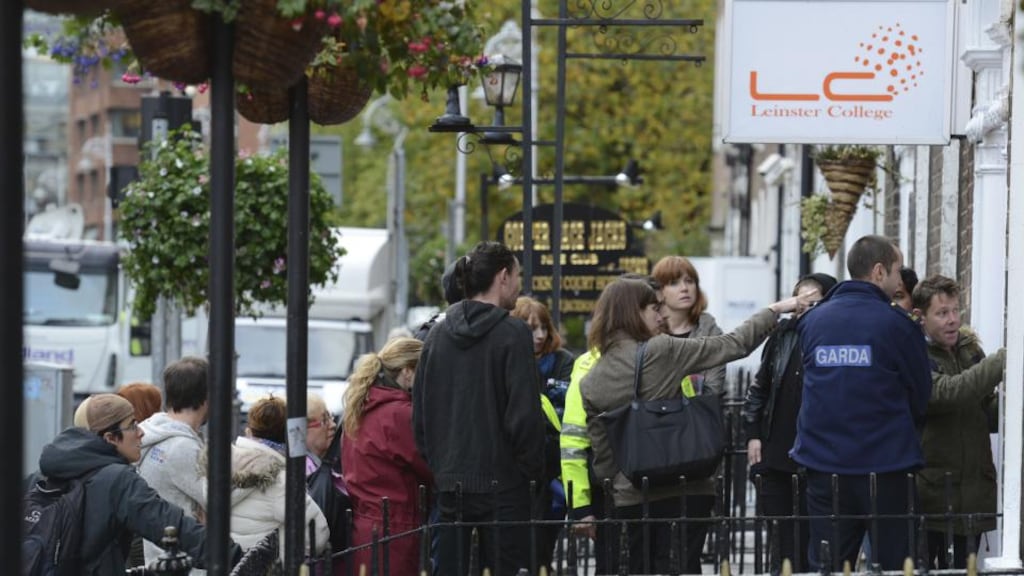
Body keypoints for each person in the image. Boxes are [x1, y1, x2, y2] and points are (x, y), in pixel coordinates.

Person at [580, 277, 805, 574]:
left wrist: (621, 487)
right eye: (654, 308)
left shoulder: (591, 381)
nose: (661, 316)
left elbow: (604, 458)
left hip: (632, 497)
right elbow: (733, 344)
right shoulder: (660, 350)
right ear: (633, 312)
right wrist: (774, 309)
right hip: (685, 487)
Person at [791, 235, 932, 571]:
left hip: (824, 465)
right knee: (896, 565)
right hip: (885, 466)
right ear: (879, 271)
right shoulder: (897, 325)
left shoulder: (813, 321)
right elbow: (920, 393)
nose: (901, 281)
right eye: (898, 272)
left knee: (827, 565)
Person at [413, 241, 546, 576]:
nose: (519, 284)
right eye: (517, 276)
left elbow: (421, 417)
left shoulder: (436, 335)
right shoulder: (512, 333)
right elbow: (524, 416)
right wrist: (528, 471)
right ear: (502, 277)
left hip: (450, 482)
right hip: (504, 484)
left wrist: (441, 467)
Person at [34, 393, 236, 574]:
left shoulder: (38, 478)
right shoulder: (117, 480)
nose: (141, 432)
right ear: (110, 438)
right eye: (132, 425)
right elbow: (170, 524)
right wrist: (233, 556)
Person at [561, 274, 665, 574]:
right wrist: (580, 506)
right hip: (611, 492)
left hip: (664, 486)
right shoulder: (590, 365)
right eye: (653, 308)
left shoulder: (664, 354)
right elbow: (573, 442)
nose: (661, 315)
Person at [743, 273, 837, 574]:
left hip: (819, 457)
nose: (803, 307)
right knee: (782, 544)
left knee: (817, 543)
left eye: (812, 300)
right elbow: (760, 387)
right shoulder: (783, 335)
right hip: (778, 454)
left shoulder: (835, 338)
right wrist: (754, 434)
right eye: (799, 300)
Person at [911, 275, 1005, 569]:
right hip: (933, 497)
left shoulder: (969, 350)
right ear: (920, 316)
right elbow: (945, 394)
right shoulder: (914, 353)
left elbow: (985, 412)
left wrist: (1009, 403)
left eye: (955, 311)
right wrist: (1004, 359)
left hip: (974, 497)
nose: (952, 320)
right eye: (942, 313)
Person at [650, 255, 729, 572]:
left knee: (687, 553)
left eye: (690, 280)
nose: (685, 288)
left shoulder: (710, 330)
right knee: (655, 553)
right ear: (659, 291)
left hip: (697, 452)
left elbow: (711, 387)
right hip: (654, 451)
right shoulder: (649, 331)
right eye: (674, 282)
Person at [342, 337, 432, 575]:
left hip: (365, 526)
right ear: (407, 372)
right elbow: (431, 466)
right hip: (396, 528)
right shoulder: (400, 415)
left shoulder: (362, 406)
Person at [208, 395, 330, 561]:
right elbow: (318, 534)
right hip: (265, 566)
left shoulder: (219, 467)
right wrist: (284, 550)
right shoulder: (281, 481)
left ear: (249, 431)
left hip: (227, 562)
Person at [511, 296, 575, 571]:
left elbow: (562, 409)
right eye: (530, 329)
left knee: (544, 544)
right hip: (518, 467)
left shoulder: (562, 361)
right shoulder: (510, 360)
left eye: (543, 328)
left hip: (552, 464)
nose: (539, 336)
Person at [137, 357, 210, 572]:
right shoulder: (181, 447)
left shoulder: (154, 432)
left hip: (162, 559)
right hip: (185, 563)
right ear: (206, 398)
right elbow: (219, 501)